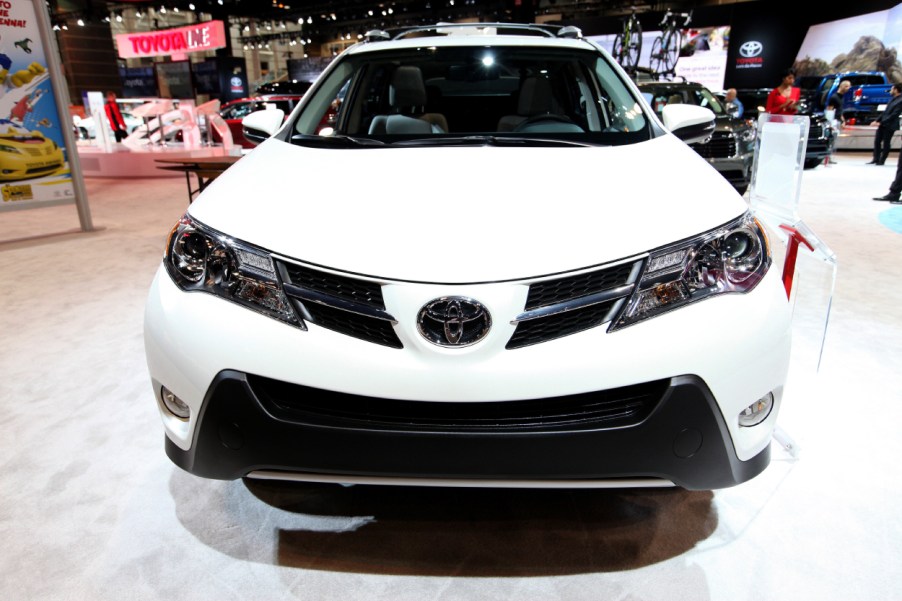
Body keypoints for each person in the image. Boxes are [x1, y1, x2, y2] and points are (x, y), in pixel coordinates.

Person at [868, 82, 902, 165]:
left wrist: (882, 122)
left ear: (896, 90)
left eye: (892, 89)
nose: (890, 90)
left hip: (890, 125)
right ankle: (876, 158)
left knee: (886, 142)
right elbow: (885, 112)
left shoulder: (900, 100)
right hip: (883, 123)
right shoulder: (893, 99)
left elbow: (894, 114)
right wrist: (877, 120)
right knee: (877, 141)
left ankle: (882, 160)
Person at [824, 80, 851, 164]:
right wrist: (829, 123)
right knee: (830, 139)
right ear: (841, 86)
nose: (848, 88)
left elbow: (840, 110)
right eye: (846, 86)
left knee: (833, 140)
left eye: (849, 86)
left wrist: (843, 121)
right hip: (834, 121)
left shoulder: (841, 97)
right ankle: (826, 157)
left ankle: (829, 157)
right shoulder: (834, 97)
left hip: (838, 121)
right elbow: (829, 110)